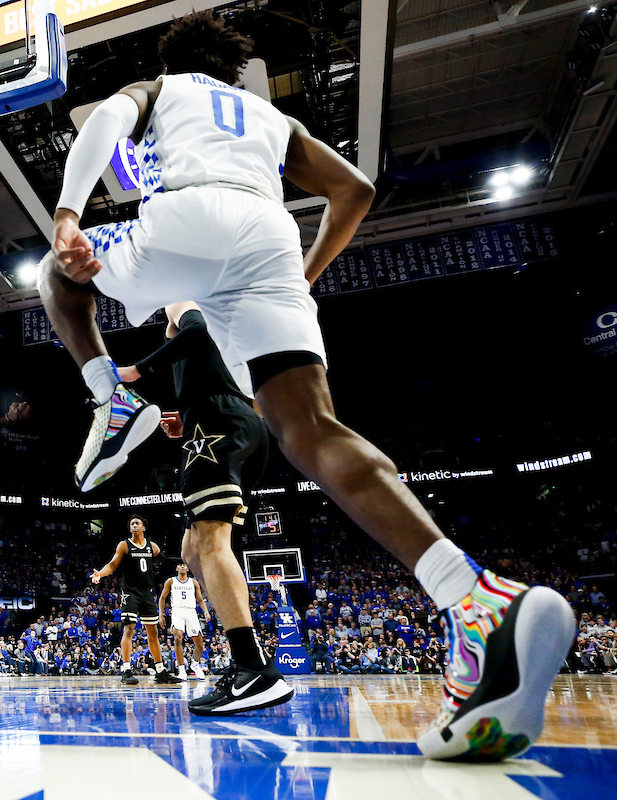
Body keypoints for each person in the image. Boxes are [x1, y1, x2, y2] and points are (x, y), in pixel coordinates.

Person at [36, 9, 572, 760]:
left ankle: (111, 394)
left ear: (175, 61)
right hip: (270, 241)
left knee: (56, 278)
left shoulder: (161, 89)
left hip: (189, 214)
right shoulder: (269, 116)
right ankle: (477, 598)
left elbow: (103, 125)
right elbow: (354, 190)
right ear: (233, 70)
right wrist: (302, 277)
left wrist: (67, 213)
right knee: (312, 430)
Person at [119, 301, 291, 713]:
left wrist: (136, 370)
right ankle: (249, 659)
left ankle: (253, 668)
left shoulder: (184, 297)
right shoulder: (220, 308)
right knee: (193, 550)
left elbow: (195, 334)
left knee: (211, 544)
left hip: (218, 424)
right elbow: (217, 366)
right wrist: (188, 416)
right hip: (228, 419)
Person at [90, 515, 181, 685]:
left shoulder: (152, 546)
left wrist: (185, 560)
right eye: (132, 523)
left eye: (137, 523)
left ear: (144, 527)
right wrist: (100, 574)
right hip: (130, 592)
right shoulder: (124, 545)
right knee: (129, 628)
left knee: (153, 632)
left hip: (147, 592)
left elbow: (166, 560)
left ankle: (160, 671)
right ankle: (126, 670)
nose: (134, 525)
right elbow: (113, 565)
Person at [157, 561, 212, 681]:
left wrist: (206, 611)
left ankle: (195, 664)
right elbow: (162, 598)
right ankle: (181, 670)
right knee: (178, 637)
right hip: (177, 611)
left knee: (199, 644)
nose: (182, 566)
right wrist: (161, 614)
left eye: (184, 565)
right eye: (180, 565)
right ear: (177, 568)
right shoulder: (171, 581)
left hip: (191, 611)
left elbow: (200, 599)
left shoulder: (193, 582)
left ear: (187, 568)